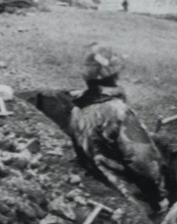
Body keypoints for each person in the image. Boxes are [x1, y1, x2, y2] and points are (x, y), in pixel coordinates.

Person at [69, 43, 169, 212]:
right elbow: (143, 162)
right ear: (116, 73)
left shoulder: (77, 108)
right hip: (127, 196)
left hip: (99, 182)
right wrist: (159, 197)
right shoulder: (117, 110)